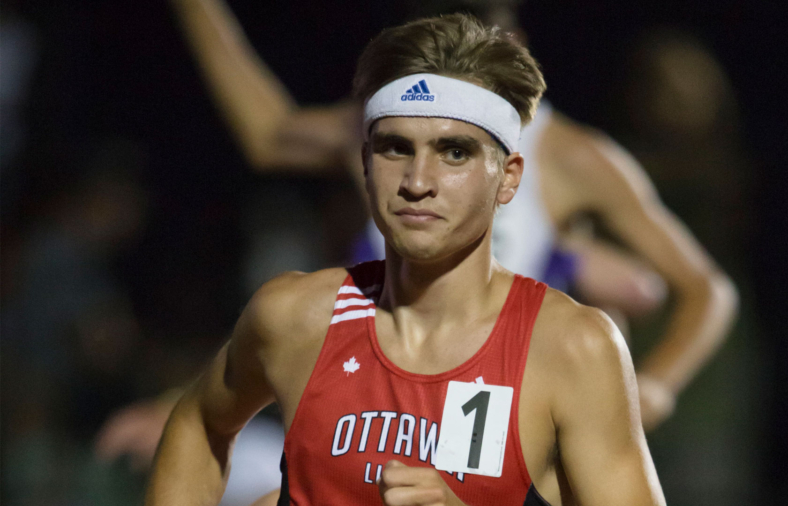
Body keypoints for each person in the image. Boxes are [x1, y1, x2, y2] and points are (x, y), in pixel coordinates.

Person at [145, 13, 665, 505]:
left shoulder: (572, 348)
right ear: (366, 164)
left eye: (454, 152)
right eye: (395, 148)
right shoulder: (295, 316)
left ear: (507, 177)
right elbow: (198, 424)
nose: (418, 182)